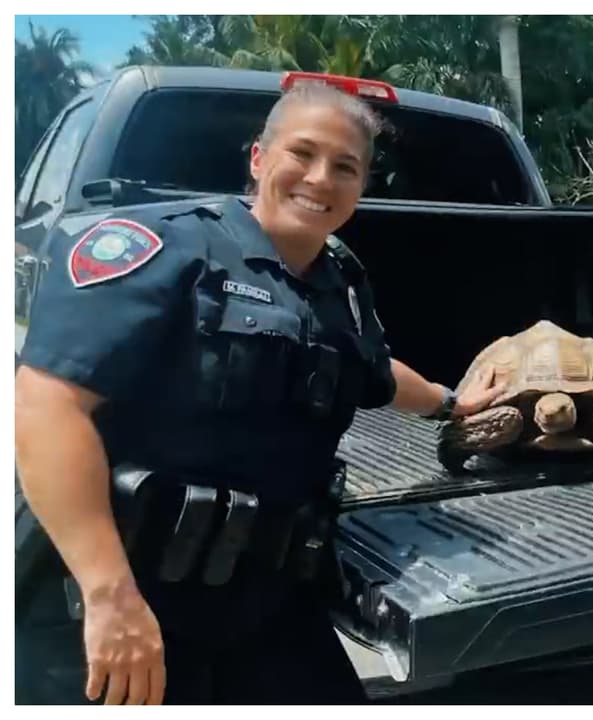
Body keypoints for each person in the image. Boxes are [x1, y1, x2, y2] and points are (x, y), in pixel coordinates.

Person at [14, 83, 505, 705]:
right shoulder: (162, 250)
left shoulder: (338, 284)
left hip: (262, 594)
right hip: (124, 595)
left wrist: (451, 401)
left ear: (361, 185)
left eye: (345, 167)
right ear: (258, 158)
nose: (321, 179)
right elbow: (48, 406)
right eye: (302, 153)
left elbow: (373, 370)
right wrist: (110, 597)